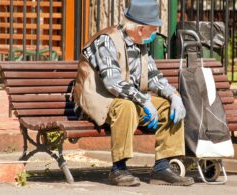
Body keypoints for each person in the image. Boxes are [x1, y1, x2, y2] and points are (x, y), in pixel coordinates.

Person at [73, 0, 194, 187]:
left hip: (129, 99)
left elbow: (154, 77)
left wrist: (174, 95)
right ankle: (119, 169)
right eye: (153, 29)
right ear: (140, 29)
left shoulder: (140, 45)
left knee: (168, 107)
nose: (155, 33)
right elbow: (112, 83)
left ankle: (162, 168)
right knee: (127, 106)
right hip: (99, 101)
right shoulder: (106, 40)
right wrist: (144, 101)